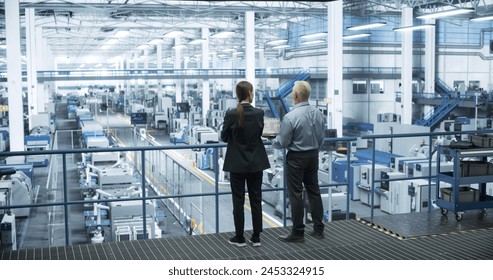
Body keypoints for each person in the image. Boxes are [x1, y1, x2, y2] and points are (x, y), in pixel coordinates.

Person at [271, 80, 326, 243]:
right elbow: (322, 138)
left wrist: (272, 139)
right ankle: (318, 229)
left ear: (295, 95)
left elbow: (283, 142)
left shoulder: (290, 117)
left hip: (296, 159)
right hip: (313, 156)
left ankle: (298, 232)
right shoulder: (318, 113)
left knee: (295, 194)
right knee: (314, 191)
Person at [221, 80, 270, 247]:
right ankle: (256, 237)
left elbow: (223, 137)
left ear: (238, 94)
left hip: (237, 164)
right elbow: (259, 133)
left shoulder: (231, 114)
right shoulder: (259, 113)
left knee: (238, 200)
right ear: (250, 93)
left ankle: (240, 238)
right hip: (256, 162)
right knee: (256, 199)